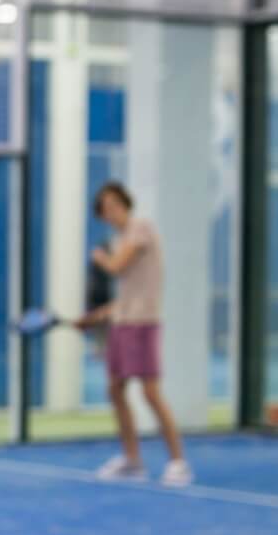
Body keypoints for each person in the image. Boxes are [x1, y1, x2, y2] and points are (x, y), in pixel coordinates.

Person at [76, 182, 193, 486]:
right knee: (115, 390)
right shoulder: (118, 239)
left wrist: (100, 258)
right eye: (106, 207)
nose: (112, 210)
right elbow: (126, 295)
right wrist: (94, 317)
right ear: (101, 214)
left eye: (116, 203)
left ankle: (179, 463)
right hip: (122, 322)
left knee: (150, 393)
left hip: (144, 324)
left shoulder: (141, 228)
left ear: (126, 204)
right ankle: (132, 461)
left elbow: (116, 267)